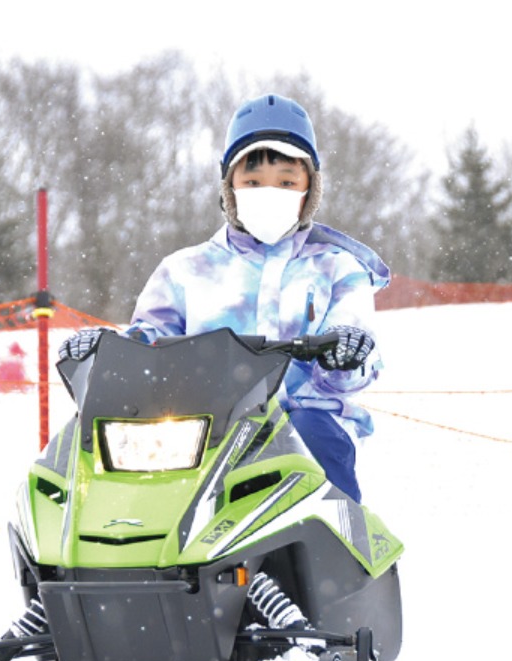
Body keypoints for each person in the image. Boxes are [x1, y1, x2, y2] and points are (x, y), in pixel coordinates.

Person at [59, 93, 389, 503]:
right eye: (252, 182)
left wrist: (346, 350)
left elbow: (354, 339)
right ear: (230, 187)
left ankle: (333, 554)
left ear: (309, 190)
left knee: (310, 434)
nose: (269, 193)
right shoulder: (185, 270)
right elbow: (147, 343)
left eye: (286, 182)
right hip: (201, 433)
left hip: (305, 424)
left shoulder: (337, 268)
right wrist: (107, 350)